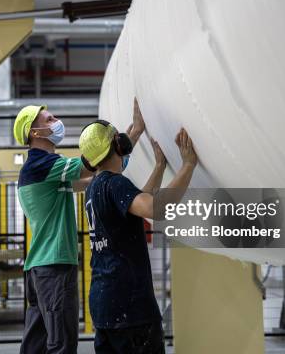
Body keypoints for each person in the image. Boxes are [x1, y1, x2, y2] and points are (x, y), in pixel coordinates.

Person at [13, 102, 145, 354]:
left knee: (37, 344)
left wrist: (125, 149)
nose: (57, 121)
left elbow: (98, 176)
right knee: (61, 343)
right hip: (53, 267)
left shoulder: (46, 174)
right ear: (35, 133)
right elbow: (92, 163)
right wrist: (133, 134)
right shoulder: (41, 165)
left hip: (40, 268)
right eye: (49, 119)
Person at [79, 121, 198, 354]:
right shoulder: (115, 184)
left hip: (105, 305)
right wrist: (188, 165)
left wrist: (160, 167)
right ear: (118, 144)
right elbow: (155, 208)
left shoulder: (94, 188)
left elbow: (136, 201)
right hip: (130, 309)